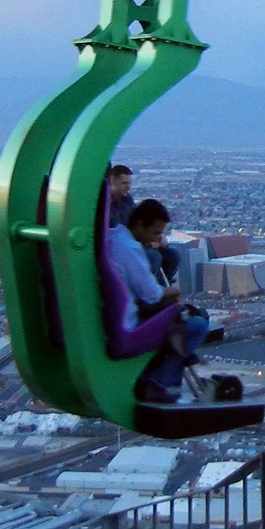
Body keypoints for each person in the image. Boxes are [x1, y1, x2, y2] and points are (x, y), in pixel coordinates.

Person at [111, 199, 208, 404]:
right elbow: (152, 294)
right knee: (198, 324)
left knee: (188, 316)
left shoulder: (115, 237)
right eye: (155, 233)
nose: (157, 239)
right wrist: (174, 291)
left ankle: (174, 366)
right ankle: (158, 382)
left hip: (117, 311)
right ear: (139, 225)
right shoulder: (130, 250)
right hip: (129, 321)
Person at [108, 164, 180, 288]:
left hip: (136, 241)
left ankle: (161, 285)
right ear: (112, 181)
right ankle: (147, 289)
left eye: (129, 183)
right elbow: (118, 234)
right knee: (154, 256)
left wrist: (157, 237)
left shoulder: (127, 201)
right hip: (123, 247)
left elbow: (139, 222)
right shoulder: (108, 206)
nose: (128, 187)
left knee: (173, 255)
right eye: (124, 183)